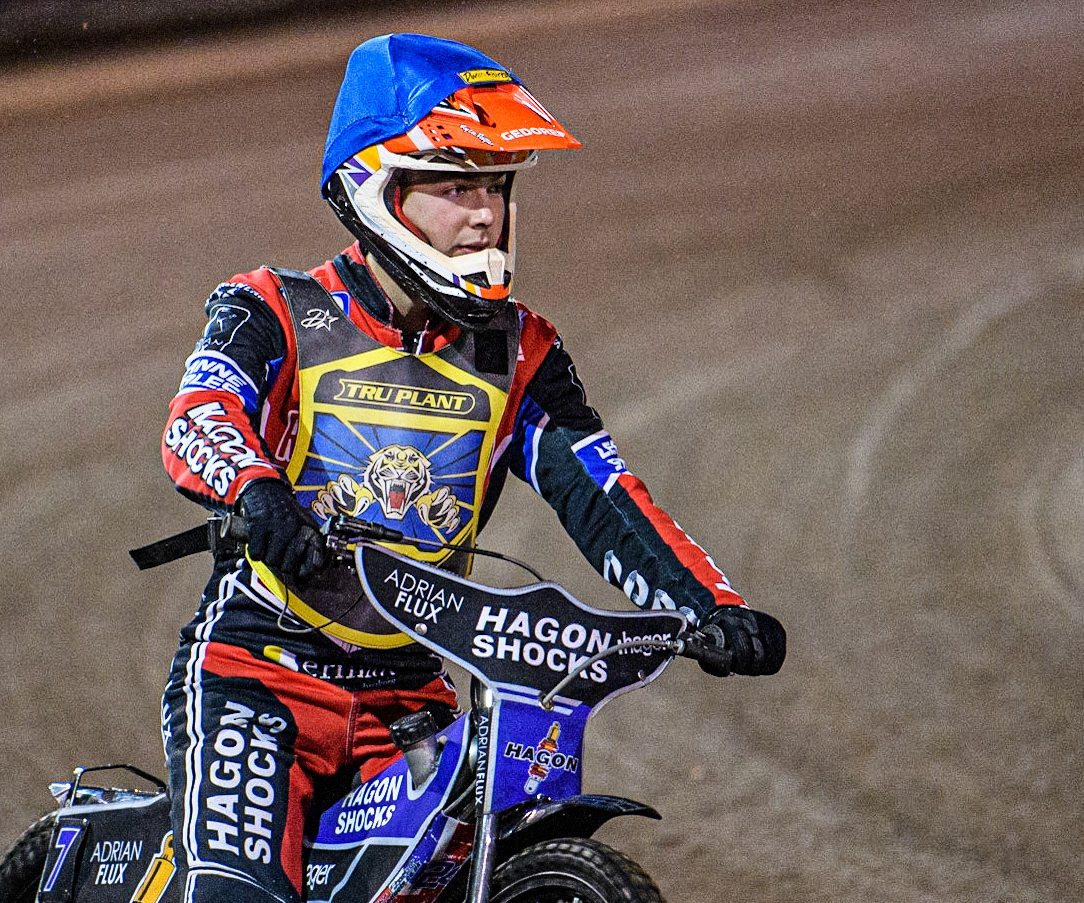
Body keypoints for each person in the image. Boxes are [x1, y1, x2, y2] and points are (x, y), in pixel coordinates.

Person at [158, 33, 785, 903]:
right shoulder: (271, 309)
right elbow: (199, 417)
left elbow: (602, 495)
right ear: (380, 188)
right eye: (456, 185)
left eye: (496, 184)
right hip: (260, 678)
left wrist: (710, 605)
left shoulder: (521, 351)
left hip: (411, 693)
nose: (485, 213)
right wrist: (258, 491)